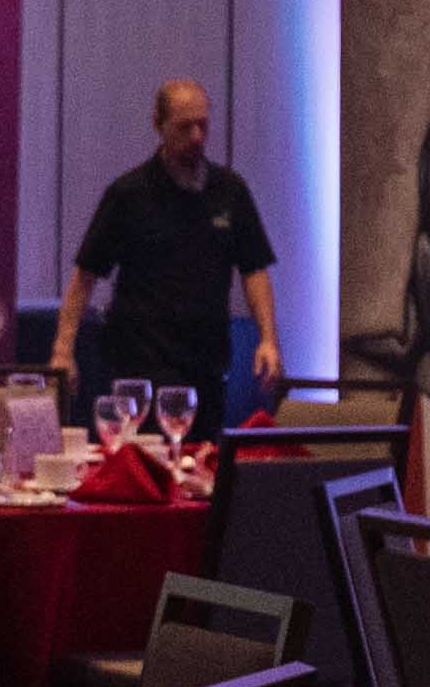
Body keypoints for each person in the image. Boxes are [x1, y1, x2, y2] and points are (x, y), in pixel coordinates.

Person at [65, 75, 281, 430]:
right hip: (141, 364)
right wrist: (63, 351)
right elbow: (85, 275)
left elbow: (254, 269)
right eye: (184, 127)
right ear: (159, 125)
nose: (196, 136)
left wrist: (268, 339)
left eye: (203, 125)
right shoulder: (129, 194)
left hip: (206, 362)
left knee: (202, 457)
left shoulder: (230, 191)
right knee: (148, 458)